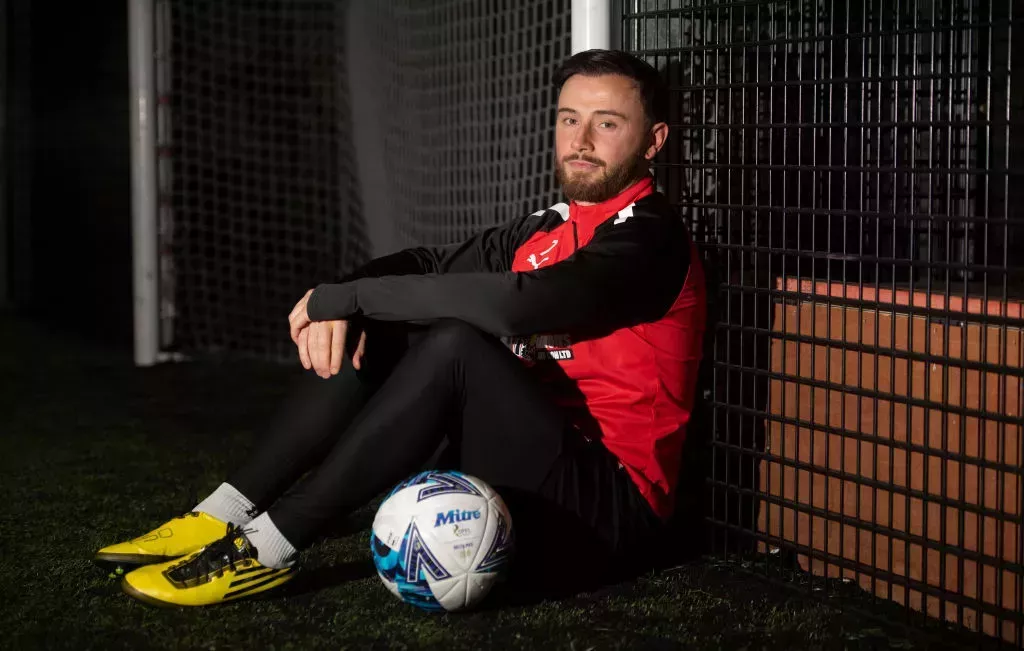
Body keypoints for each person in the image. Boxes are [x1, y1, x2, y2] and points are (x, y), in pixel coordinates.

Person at [95, 49, 706, 607]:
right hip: (528, 473)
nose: (581, 139)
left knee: (455, 345)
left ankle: (268, 548)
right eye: (569, 119)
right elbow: (428, 264)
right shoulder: (544, 227)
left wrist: (356, 294)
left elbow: (524, 306)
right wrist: (345, 300)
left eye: (606, 122)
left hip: (610, 512)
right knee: (384, 326)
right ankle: (224, 511)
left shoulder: (651, 237)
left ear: (652, 141)